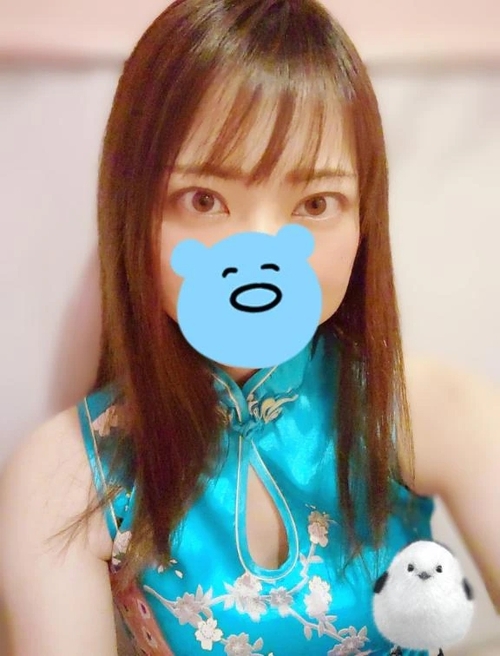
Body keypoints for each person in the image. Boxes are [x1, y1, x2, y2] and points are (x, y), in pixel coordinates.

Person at [0, 1, 498, 655]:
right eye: (204, 199)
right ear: (132, 210)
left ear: (363, 223)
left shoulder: (427, 409)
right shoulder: (63, 480)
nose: (261, 257)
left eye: (315, 202)